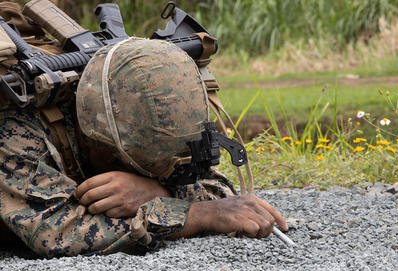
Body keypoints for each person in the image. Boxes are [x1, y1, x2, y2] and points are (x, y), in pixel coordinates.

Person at [0, 2, 287, 257]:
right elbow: (57, 229)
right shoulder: (19, 128)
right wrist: (196, 215)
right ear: (98, 136)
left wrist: (155, 193)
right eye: (140, 166)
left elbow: (213, 186)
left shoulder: (145, 115)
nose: (146, 174)